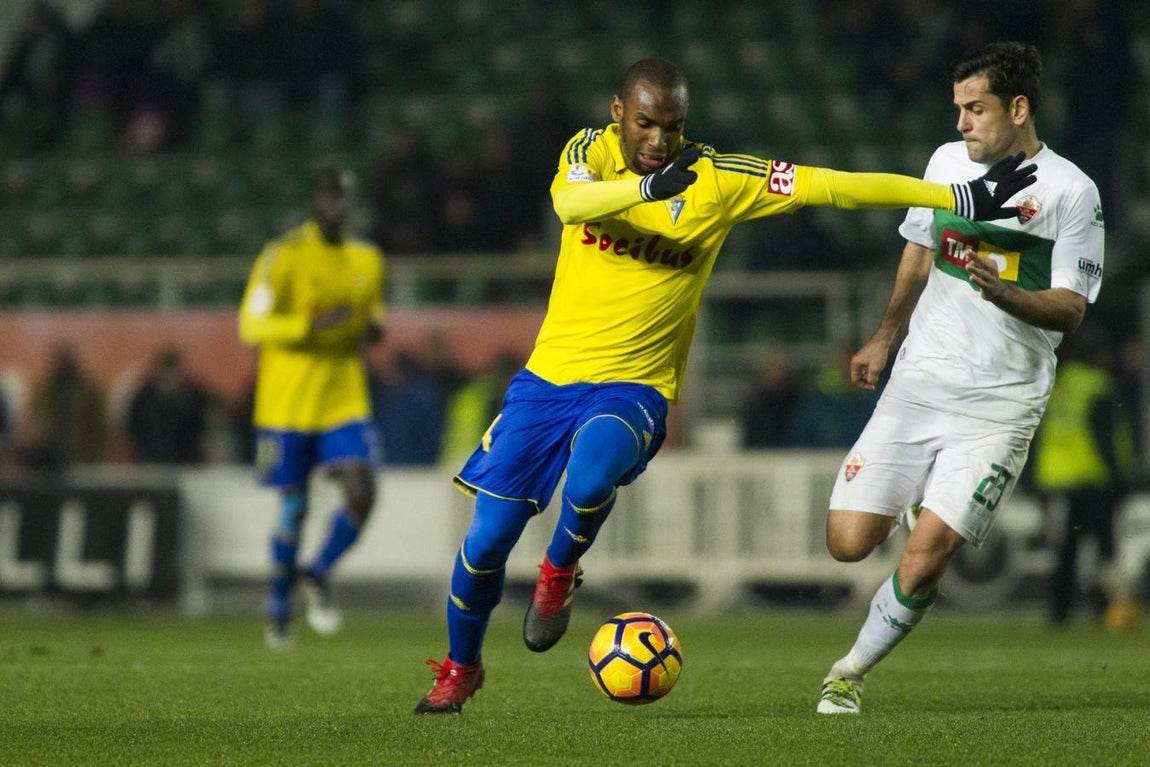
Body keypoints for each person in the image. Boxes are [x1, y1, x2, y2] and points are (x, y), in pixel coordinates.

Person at [414, 56, 1038, 714]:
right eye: (647, 123)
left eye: (673, 126)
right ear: (618, 112)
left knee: (594, 473)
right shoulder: (589, 152)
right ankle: (462, 666)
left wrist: (955, 196)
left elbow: (834, 186)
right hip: (546, 381)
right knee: (484, 543)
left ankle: (558, 570)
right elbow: (568, 202)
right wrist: (648, 192)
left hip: (634, 385)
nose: (659, 141)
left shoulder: (717, 179)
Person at [814, 41, 1104, 715]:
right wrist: (884, 337)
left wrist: (1003, 293)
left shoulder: (1071, 192)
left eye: (976, 110)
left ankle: (849, 673)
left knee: (924, 556)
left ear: (1019, 108)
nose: (961, 125)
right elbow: (918, 253)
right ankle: (918, 498)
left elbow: (1072, 309)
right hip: (918, 381)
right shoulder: (946, 165)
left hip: (1000, 404)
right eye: (958, 110)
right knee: (847, 542)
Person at [238, 166, 386, 649]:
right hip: (287, 402)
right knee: (294, 507)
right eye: (330, 198)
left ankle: (317, 572)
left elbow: (372, 317)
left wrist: (371, 329)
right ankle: (278, 607)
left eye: (344, 199)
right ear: (313, 203)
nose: (338, 208)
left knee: (362, 491)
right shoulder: (283, 256)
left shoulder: (367, 259)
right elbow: (251, 325)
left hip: (344, 394)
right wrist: (308, 328)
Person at [1032, 322, 1138, 629]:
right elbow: (1103, 436)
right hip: (1092, 477)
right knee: (1104, 547)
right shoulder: (1098, 385)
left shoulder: (1061, 382)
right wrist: (1120, 477)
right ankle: (1108, 606)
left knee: (1066, 549)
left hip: (1056, 478)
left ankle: (1059, 611)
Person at [126, 347, 216, 464]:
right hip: (152, 460)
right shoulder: (143, 398)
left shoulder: (195, 395)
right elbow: (134, 428)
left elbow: (211, 418)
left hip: (187, 461)